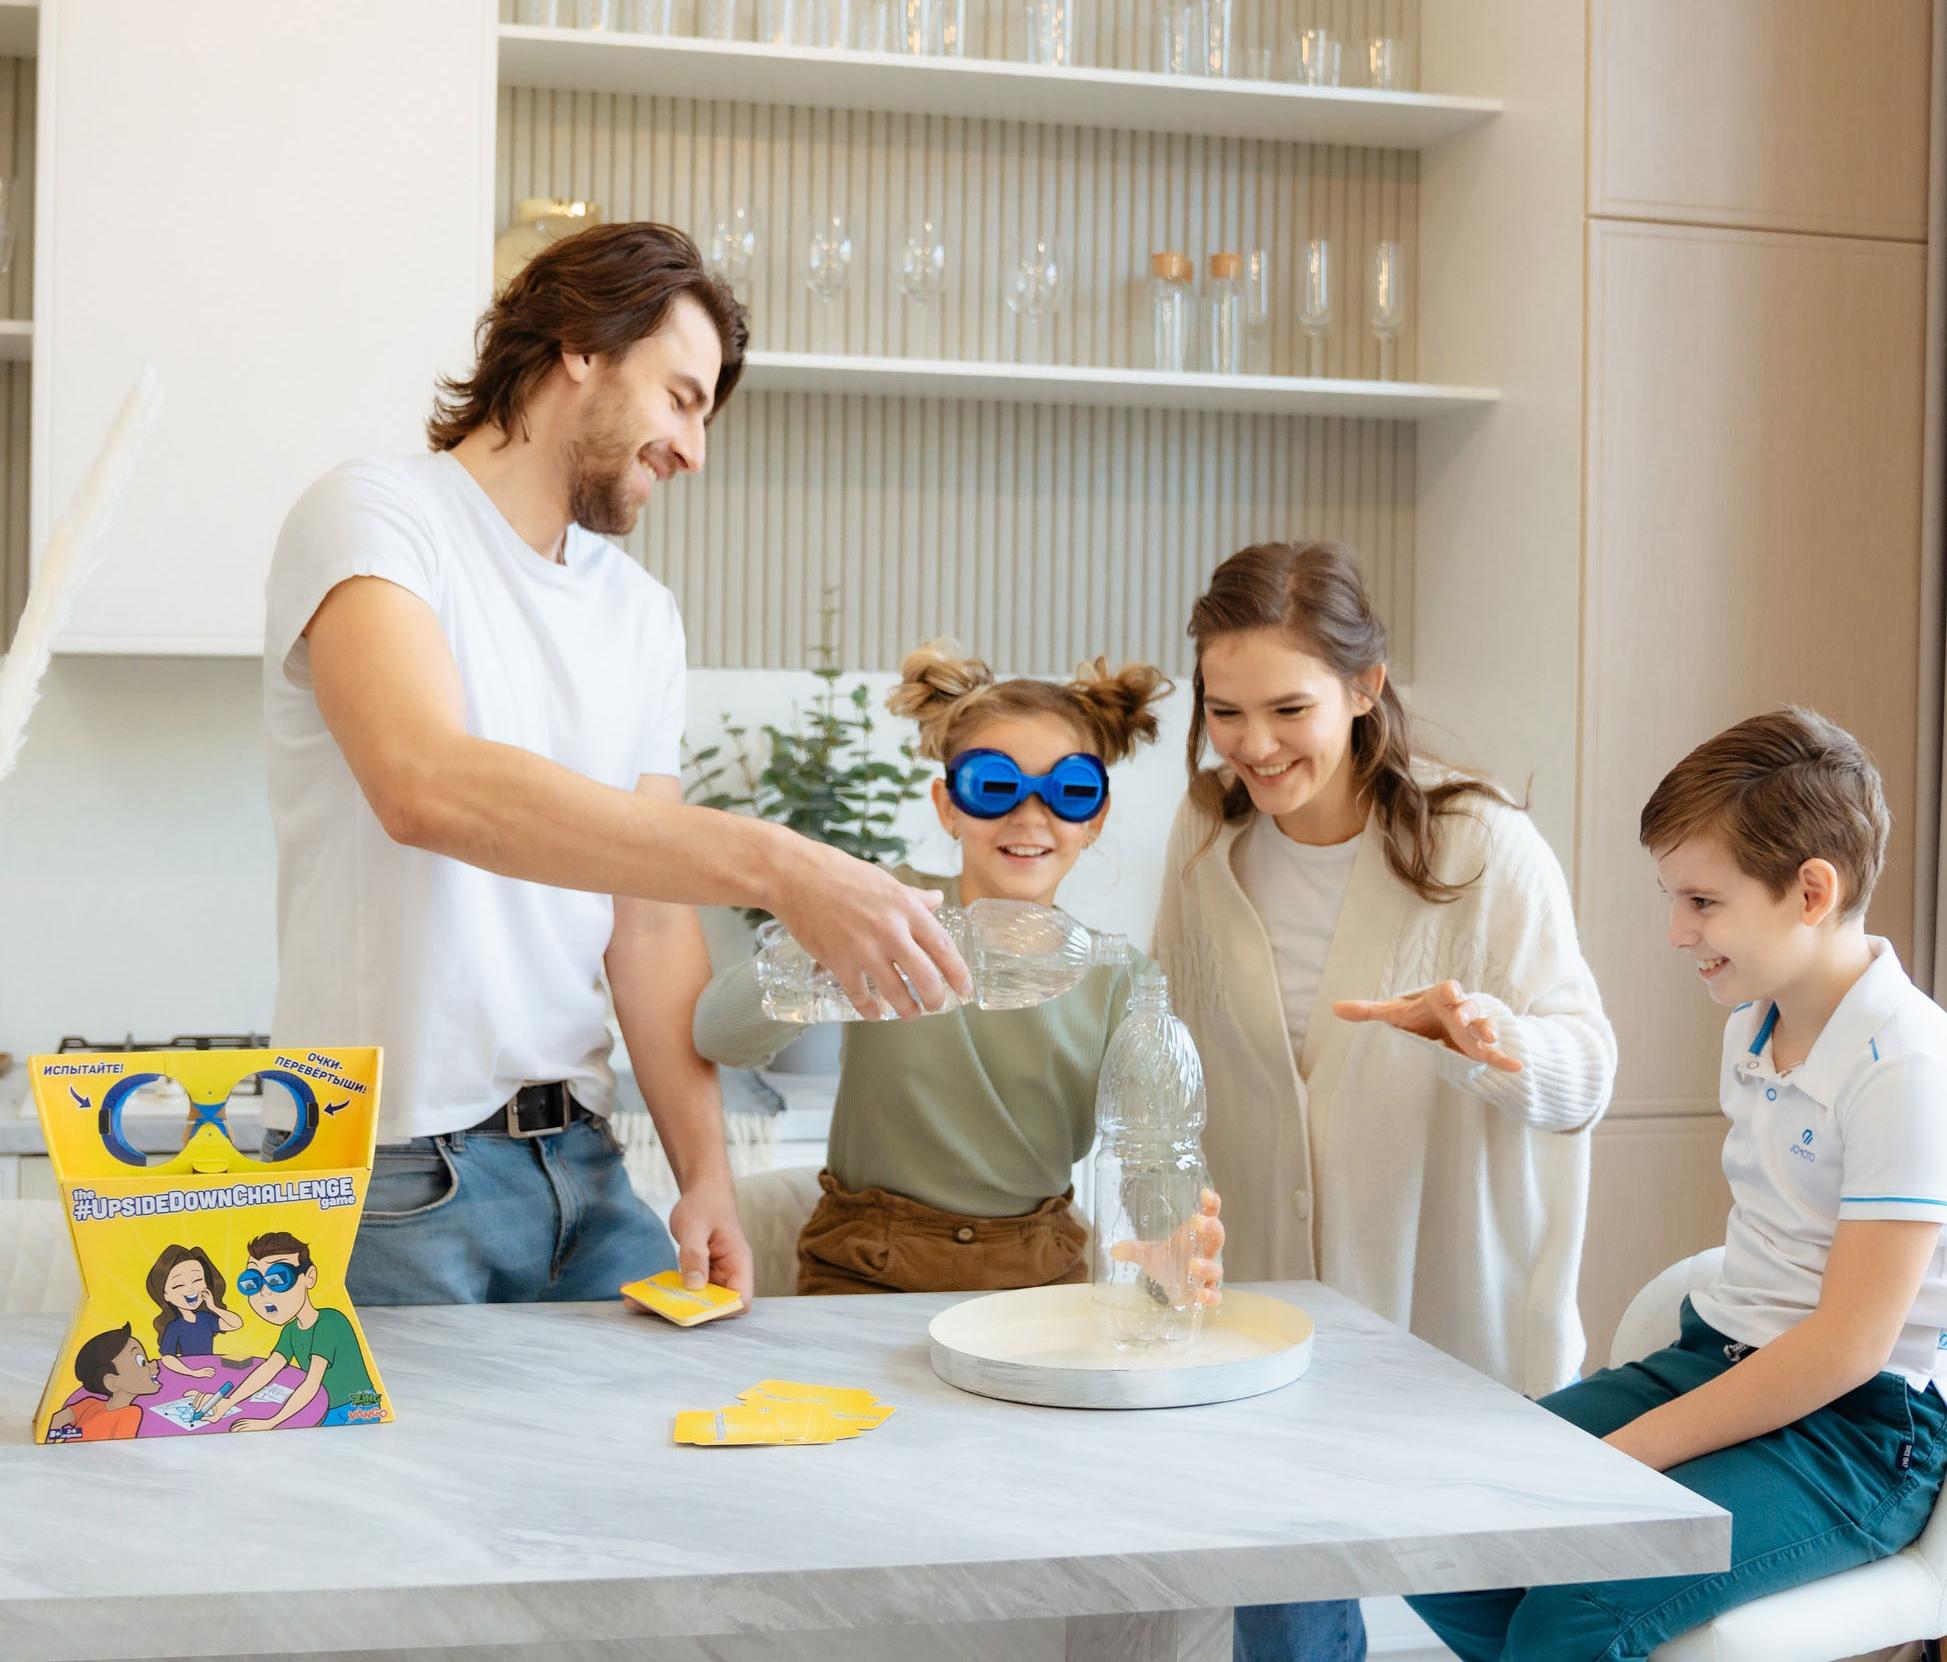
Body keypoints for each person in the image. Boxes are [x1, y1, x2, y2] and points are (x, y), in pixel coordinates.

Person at [263, 221, 968, 1309]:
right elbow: (426, 785)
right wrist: (783, 865)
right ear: (581, 346)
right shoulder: (375, 515)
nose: (694, 450)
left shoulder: (639, 613)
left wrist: (704, 1178)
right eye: (681, 399)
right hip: (388, 1171)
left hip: (582, 1165)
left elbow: (647, 919)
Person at [1149, 543, 1614, 1662]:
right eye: (1225, 711)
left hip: (1447, 1314)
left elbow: (1588, 1074)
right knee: (1289, 1629)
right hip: (1265, 1318)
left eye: (1289, 709)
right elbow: (1171, 1047)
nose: (1254, 745)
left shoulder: (1481, 843)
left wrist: (1488, 1042)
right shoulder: (1207, 831)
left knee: (1506, 1627)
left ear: (1366, 687)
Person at [1407, 707, 1947, 1659]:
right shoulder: (1751, 1024)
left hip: (1860, 1432)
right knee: (1436, 1524)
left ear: (1810, 890)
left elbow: (1847, 1347)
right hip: (1721, 1357)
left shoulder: (1905, 1064)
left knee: (1574, 1610)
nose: (1675, 931)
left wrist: (1623, 1459)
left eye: (1701, 901)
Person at [694, 642, 1222, 1300]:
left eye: (1069, 792)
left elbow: (1154, 1153)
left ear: (1094, 818)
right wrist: (825, 933)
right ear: (948, 806)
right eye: (995, 787)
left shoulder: (1118, 978)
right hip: (863, 1265)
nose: (1029, 816)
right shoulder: (882, 915)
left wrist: (1173, 1241)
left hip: (1037, 1275)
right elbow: (718, 1035)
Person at [189, 1233, 382, 1432]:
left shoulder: (330, 1323)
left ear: (309, 1277)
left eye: (278, 1278)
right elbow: (270, 1367)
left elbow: (311, 1383)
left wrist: (271, 1422)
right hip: (323, 1404)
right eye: (252, 1281)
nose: (264, 1292)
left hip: (354, 1408)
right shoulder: (291, 1330)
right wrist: (228, 1402)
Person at [46, 1325, 162, 1442]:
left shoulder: (90, 1404)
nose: (153, 1363)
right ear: (112, 1383)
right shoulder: (130, 1413)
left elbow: (58, 1420)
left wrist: (70, 1435)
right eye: (141, 1362)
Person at [146, 1243, 241, 1376]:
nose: (191, 1289)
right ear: (166, 1295)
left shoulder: (205, 1318)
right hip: (187, 1372)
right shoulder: (174, 1327)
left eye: (197, 1280)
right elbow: (167, 1358)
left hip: (209, 1370)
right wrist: (192, 1373)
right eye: (179, 1285)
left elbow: (236, 1324)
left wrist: (213, 1307)